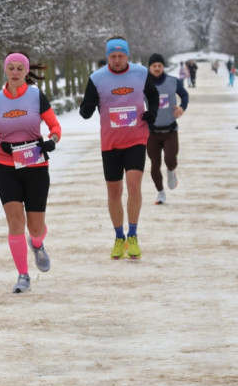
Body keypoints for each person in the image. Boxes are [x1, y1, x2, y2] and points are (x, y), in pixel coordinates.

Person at [0, 51, 62, 292]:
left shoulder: (36, 96)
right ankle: (23, 276)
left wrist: (52, 140)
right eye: (10, 68)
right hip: (6, 166)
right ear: (5, 71)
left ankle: (37, 243)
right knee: (15, 221)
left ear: (25, 72)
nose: (14, 72)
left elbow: (55, 126)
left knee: (35, 228)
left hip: (35, 165)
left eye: (19, 69)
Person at [78, 36, 159, 260]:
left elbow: (153, 95)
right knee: (114, 192)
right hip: (110, 142)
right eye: (112, 56)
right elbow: (89, 103)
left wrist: (152, 113)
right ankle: (118, 237)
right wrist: (86, 109)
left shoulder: (141, 73)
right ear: (107, 56)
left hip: (136, 138)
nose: (116, 60)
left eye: (120, 56)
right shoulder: (97, 78)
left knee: (134, 185)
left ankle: (133, 235)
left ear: (127, 55)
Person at [146, 54, 189, 205]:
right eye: (154, 66)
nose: (157, 68)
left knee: (170, 160)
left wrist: (182, 108)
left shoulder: (173, 81)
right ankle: (160, 192)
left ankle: (171, 171)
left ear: (163, 67)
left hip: (170, 130)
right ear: (149, 67)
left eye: (159, 65)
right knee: (154, 164)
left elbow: (184, 95)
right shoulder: (143, 83)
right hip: (151, 132)